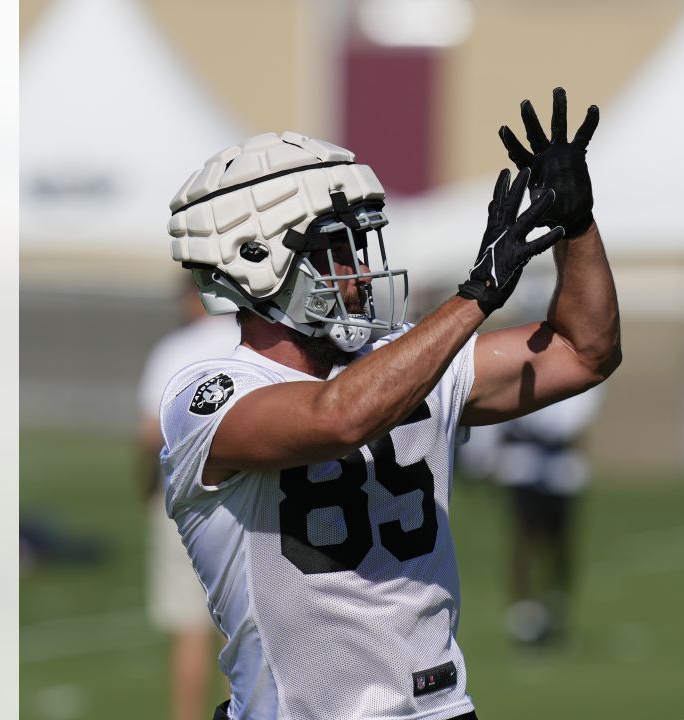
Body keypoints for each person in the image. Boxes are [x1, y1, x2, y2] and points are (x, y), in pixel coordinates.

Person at [158, 87, 619, 720]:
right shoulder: (209, 395)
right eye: (335, 248)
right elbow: (338, 417)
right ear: (254, 260)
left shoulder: (403, 357)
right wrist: (476, 295)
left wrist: (577, 227)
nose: (357, 269)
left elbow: (582, 349)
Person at [136, 275, 239, 720]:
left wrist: (144, 486)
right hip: (244, 499)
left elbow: (147, 433)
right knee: (238, 634)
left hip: (182, 498)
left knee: (189, 630)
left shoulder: (175, 350)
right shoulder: (249, 343)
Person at [468, 386, 606, 648]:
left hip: (560, 461)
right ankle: (524, 616)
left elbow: (579, 413)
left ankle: (556, 606)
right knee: (524, 535)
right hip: (522, 459)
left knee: (561, 541)